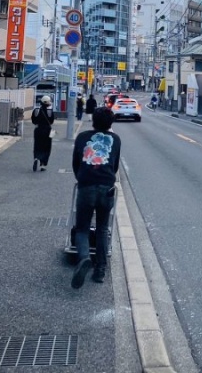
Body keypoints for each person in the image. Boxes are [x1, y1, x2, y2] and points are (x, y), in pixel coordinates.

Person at [70, 107, 121, 289]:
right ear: (110, 123)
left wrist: (82, 177)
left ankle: (84, 258)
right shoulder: (115, 139)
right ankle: (100, 269)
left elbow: (76, 162)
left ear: (93, 120)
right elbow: (114, 165)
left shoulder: (83, 137)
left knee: (82, 228)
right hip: (106, 186)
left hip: (86, 185)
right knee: (101, 228)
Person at [31, 95, 54, 172]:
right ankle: (43, 164)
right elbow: (51, 121)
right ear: (47, 102)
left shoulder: (36, 110)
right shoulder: (50, 111)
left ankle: (36, 158)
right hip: (47, 130)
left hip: (38, 129)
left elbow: (33, 120)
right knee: (47, 147)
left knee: (37, 145)